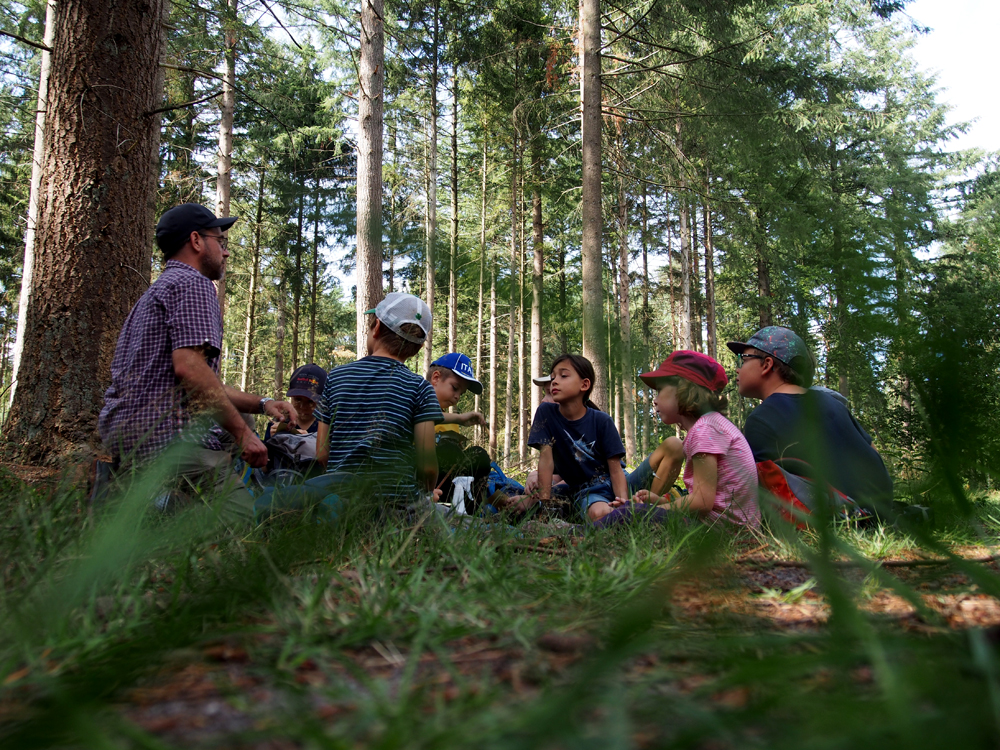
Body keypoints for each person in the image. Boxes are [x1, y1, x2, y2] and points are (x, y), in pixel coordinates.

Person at [98, 203, 296, 522]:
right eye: (221, 241)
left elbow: (201, 380)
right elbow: (190, 370)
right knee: (240, 525)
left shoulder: (155, 293)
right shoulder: (194, 284)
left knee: (238, 425)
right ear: (196, 241)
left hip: (129, 434)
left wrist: (263, 404)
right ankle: (156, 508)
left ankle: (150, 501)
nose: (226, 253)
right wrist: (246, 436)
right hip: (166, 439)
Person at [254, 293, 442, 520]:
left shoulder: (337, 377)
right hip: (398, 506)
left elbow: (322, 453)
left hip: (341, 493)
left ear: (377, 328)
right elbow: (428, 468)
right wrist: (425, 492)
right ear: (418, 348)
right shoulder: (420, 388)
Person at [727, 326, 893, 509]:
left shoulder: (762, 418)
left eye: (743, 359)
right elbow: (872, 451)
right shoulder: (833, 403)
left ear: (766, 365)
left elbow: (755, 491)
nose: (737, 369)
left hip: (835, 517)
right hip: (881, 511)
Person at [614, 351, 760, 527]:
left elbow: (702, 503)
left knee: (629, 515)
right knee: (634, 511)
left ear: (685, 389)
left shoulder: (704, 430)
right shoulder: (713, 425)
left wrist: (652, 511)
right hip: (733, 527)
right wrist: (658, 502)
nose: (655, 400)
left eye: (660, 390)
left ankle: (582, 532)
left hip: (719, 530)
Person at [525, 354, 628, 522]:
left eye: (563, 376)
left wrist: (623, 502)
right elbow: (546, 460)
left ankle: (643, 508)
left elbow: (615, 469)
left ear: (584, 384)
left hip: (621, 481)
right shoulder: (546, 413)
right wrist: (544, 505)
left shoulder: (602, 421)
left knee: (670, 448)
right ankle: (635, 513)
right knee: (599, 514)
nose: (554, 382)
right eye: (553, 377)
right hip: (589, 491)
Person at [426, 353, 490, 510]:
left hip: (450, 482)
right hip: (422, 477)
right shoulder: (414, 401)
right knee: (449, 450)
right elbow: (422, 416)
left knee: (478, 455)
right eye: (455, 388)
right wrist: (459, 418)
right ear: (435, 378)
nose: (457, 397)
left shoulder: (452, 421)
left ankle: (467, 506)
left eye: (461, 393)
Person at [265, 363, 327, 440]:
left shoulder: (327, 426)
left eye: (310, 402)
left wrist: (311, 441)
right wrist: (273, 440)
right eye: (298, 399)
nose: (303, 407)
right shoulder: (279, 421)